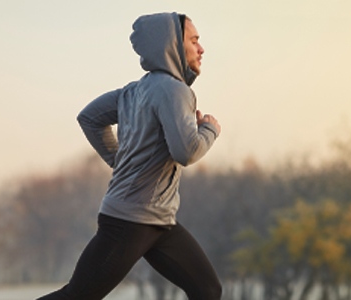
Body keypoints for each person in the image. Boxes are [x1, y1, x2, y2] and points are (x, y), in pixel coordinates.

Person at [38, 12, 222, 300]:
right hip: (129, 221)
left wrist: (119, 158)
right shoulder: (175, 91)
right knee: (77, 296)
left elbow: (89, 117)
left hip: (161, 222)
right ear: (172, 44)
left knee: (208, 289)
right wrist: (209, 129)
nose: (201, 48)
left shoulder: (134, 91)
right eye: (194, 40)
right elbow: (186, 152)